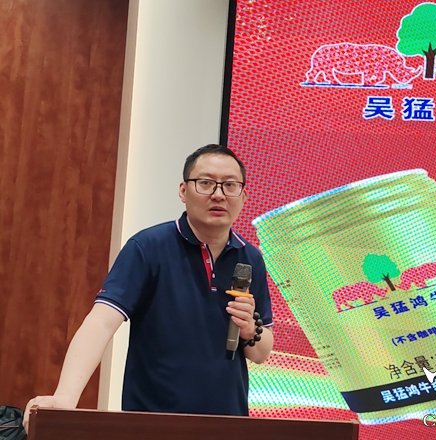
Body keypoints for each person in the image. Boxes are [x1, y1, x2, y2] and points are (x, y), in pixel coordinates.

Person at [24, 144, 274, 430]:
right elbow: (102, 322)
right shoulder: (148, 247)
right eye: (205, 183)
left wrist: (250, 330)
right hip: (151, 424)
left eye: (230, 185)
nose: (219, 194)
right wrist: (65, 397)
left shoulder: (250, 258)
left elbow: (261, 353)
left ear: (243, 195)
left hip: (227, 424)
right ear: (183, 190)